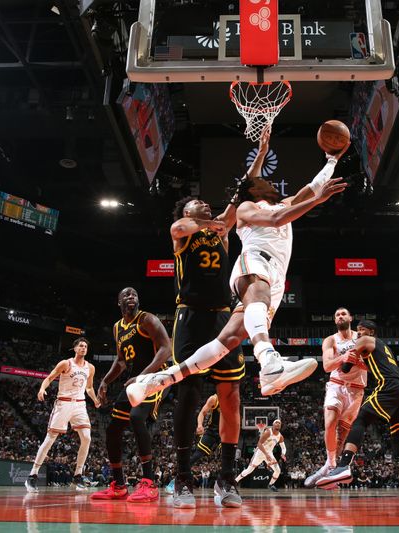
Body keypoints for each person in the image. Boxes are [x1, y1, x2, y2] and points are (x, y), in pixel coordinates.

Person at [127, 127, 348, 404]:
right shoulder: (246, 209)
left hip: (275, 277)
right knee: (257, 306)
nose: (269, 182)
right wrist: (318, 200)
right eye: (262, 181)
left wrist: (331, 160)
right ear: (253, 191)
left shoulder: (284, 203)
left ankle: (157, 381)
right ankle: (269, 361)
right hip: (254, 263)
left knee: (228, 340)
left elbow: (313, 187)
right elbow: (277, 218)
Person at [168, 154, 252, 508]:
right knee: (188, 395)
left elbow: (241, 196)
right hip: (190, 319)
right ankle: (182, 477)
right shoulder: (182, 232)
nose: (203, 202)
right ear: (186, 212)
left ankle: (226, 478)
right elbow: (180, 228)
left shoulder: (221, 230)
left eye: (205, 202)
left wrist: (259, 156)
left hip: (221, 316)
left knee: (230, 396)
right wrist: (211, 222)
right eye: (195, 202)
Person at [316, 320, 399, 500]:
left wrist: (347, 358)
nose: (359, 334)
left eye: (362, 331)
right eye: (358, 331)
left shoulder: (365, 341)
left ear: (371, 332)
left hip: (389, 386)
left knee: (360, 419)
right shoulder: (384, 347)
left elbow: (346, 366)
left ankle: (343, 465)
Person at [90, 288, 172, 502]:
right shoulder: (118, 328)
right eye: (126, 295)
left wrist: (142, 377)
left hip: (157, 376)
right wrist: (105, 382)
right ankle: (118, 485)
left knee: (136, 417)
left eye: (134, 294)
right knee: (113, 429)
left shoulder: (147, 319)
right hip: (135, 380)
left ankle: (149, 482)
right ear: (119, 303)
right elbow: (121, 361)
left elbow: (166, 349)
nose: (131, 297)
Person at [25, 337, 100, 493]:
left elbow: (90, 387)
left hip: (80, 404)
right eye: (81, 346)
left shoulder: (90, 368)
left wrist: (95, 400)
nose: (83, 348)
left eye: (86, 346)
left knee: (87, 437)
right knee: (50, 438)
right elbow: (50, 377)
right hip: (64, 403)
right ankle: (32, 475)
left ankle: (77, 475)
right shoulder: (66, 363)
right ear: (74, 348)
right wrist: (41, 389)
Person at [305, 307, 366, 487]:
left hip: (356, 389)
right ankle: (331, 463)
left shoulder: (361, 338)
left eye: (343, 314)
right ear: (335, 320)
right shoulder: (331, 340)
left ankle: (330, 468)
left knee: (343, 434)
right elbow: (327, 366)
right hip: (337, 386)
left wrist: (358, 360)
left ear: (350, 318)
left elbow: (372, 364)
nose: (340, 316)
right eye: (337, 315)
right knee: (330, 423)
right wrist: (344, 357)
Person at [235, 420, 286, 492]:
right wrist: (266, 454)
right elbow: (259, 444)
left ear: (280, 425)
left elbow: (283, 447)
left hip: (269, 454)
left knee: (277, 470)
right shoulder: (268, 432)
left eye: (279, 423)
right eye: (276, 423)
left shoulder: (280, 436)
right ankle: (235, 481)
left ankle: (271, 484)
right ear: (273, 425)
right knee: (249, 470)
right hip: (260, 452)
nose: (278, 424)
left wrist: (283, 454)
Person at [191, 393, 222, 465]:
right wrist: (199, 425)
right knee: (198, 453)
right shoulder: (214, 399)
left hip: (225, 432)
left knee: (226, 454)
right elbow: (202, 413)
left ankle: (226, 475)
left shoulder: (233, 399)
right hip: (213, 430)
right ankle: (183, 472)